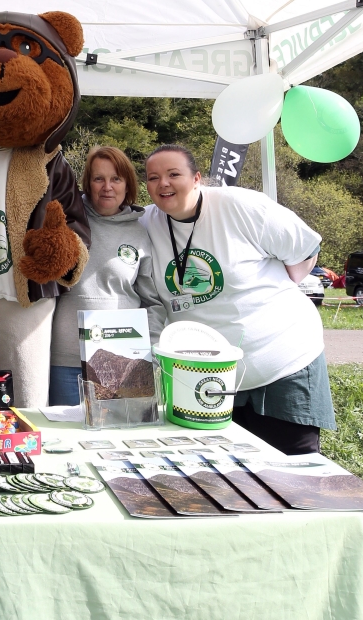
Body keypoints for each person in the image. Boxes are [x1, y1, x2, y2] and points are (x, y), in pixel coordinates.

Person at [142, 144, 333, 455]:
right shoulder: (146, 224)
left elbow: (305, 251)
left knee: (292, 473)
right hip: (204, 375)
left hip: (281, 364)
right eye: (153, 177)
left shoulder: (243, 206)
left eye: (173, 174)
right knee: (220, 474)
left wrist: (276, 289)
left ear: (196, 179)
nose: (163, 183)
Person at [49, 146, 165, 405]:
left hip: (123, 360)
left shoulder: (139, 233)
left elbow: (153, 302)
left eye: (116, 179)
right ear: (87, 184)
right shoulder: (66, 222)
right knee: (67, 437)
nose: (107, 187)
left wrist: (150, 348)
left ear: (127, 185)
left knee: (120, 439)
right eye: (98, 178)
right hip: (66, 360)